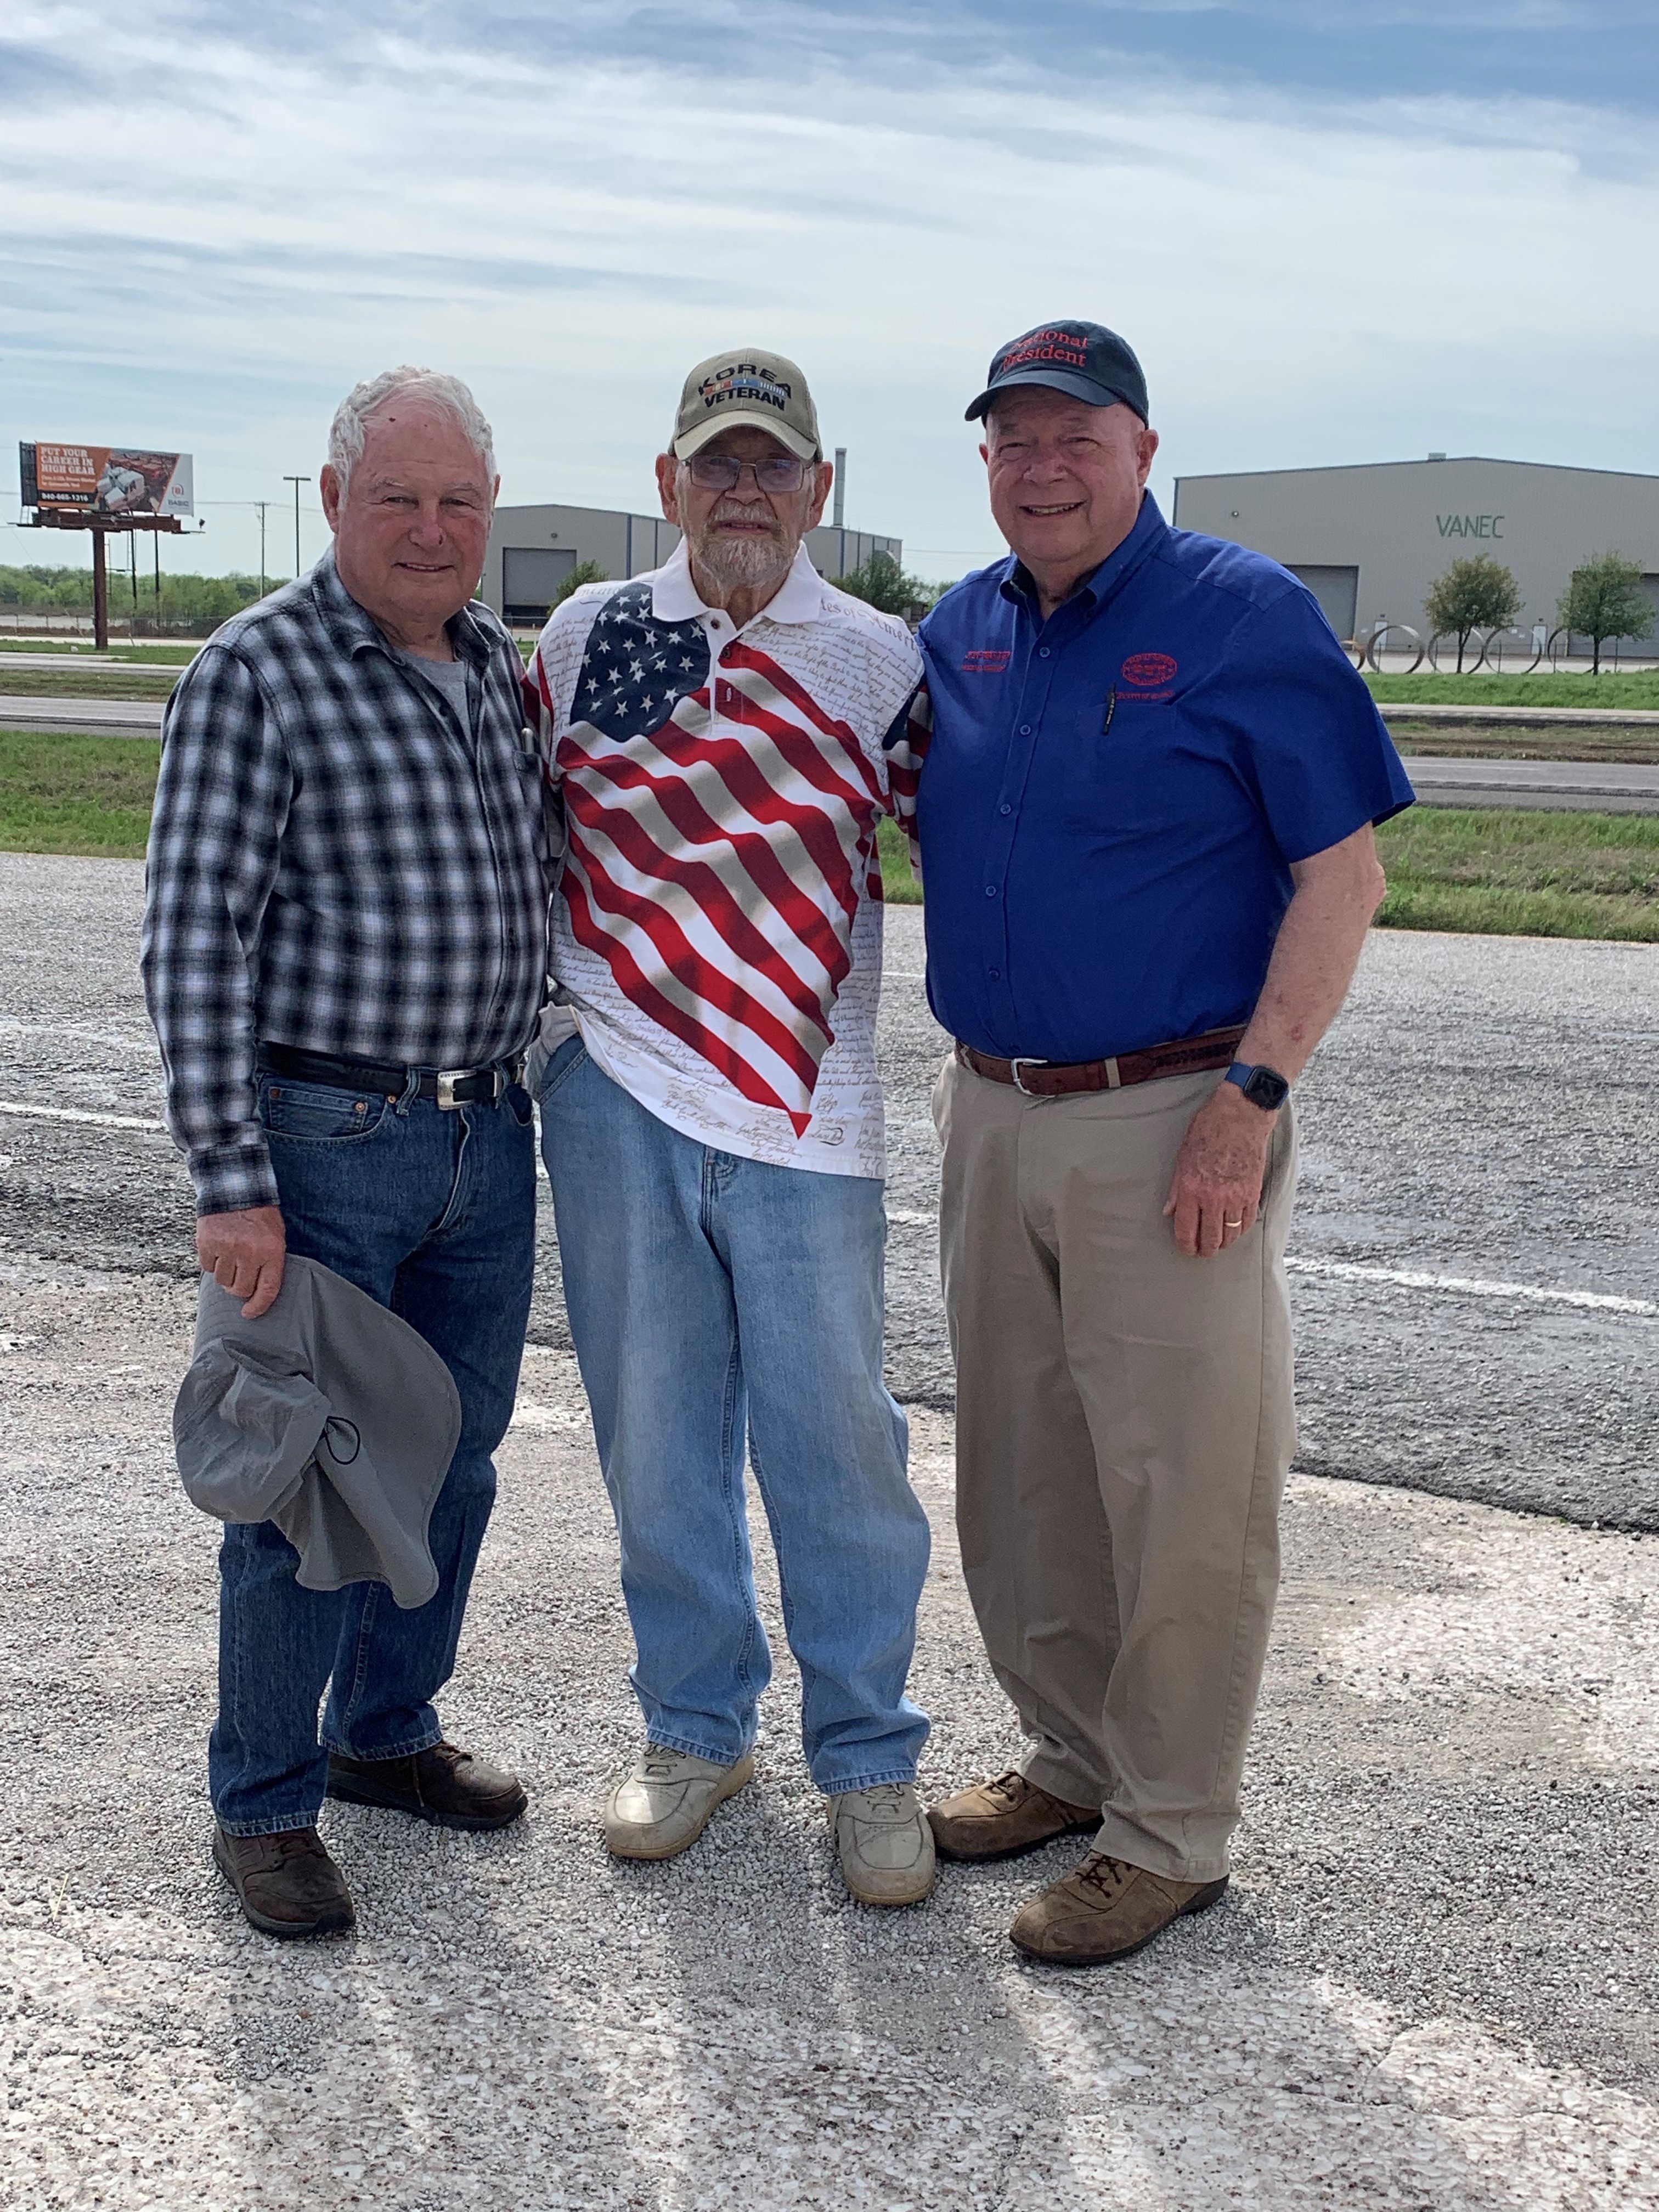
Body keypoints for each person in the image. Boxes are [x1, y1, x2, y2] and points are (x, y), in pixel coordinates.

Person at [917, 320, 1414, 1964]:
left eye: (1076, 438)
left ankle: (1173, 1830)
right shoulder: (964, 631)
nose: (1041, 469)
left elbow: (1343, 879)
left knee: (1185, 1484)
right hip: (990, 1102)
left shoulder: (1240, 616)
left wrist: (1249, 1104)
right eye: (1013, 442)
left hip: (1173, 1114)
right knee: (1026, 1470)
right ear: (984, 463)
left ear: (1142, 449)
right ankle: (1071, 1761)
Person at [142, 366, 550, 1940]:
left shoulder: (492, 664)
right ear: (333, 502)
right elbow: (193, 939)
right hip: (322, 1142)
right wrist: (228, 1176)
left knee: (451, 1459)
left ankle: (386, 1736)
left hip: (480, 1131)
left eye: (459, 502)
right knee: (294, 1477)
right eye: (399, 498)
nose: (432, 529)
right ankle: (264, 1803)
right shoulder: (258, 671)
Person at [526, 348, 936, 1905]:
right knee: (659, 1438)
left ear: (821, 489)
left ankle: (870, 1756)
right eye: (718, 464)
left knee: (838, 1440)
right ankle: (697, 1727)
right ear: (668, 483)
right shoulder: (585, 635)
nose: (745, 491)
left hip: (806, 1109)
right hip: (617, 1089)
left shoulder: (883, 662)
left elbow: (965, 838)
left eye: (774, 466)